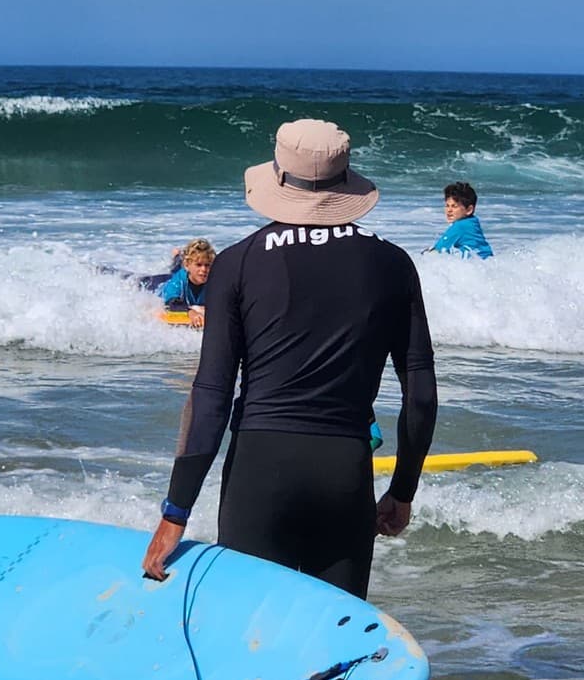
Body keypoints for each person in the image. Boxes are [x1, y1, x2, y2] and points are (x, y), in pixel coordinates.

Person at [142, 118, 437, 601]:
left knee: (249, 638)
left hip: (260, 472)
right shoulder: (393, 264)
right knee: (334, 650)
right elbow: (421, 396)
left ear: (278, 180)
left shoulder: (237, 262)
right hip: (345, 474)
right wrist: (402, 492)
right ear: (346, 183)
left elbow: (211, 393)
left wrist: (176, 512)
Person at [427, 182, 493, 259]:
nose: (449, 210)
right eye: (447, 206)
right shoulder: (472, 222)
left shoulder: (460, 226)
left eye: (454, 206)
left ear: (469, 210)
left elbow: (437, 250)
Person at [160, 238, 216, 329]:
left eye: (207, 265)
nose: (204, 270)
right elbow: (171, 303)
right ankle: (177, 256)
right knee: (175, 270)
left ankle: (178, 257)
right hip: (163, 282)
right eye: (199, 265)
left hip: (186, 270)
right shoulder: (178, 281)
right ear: (187, 265)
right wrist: (190, 312)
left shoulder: (214, 280)